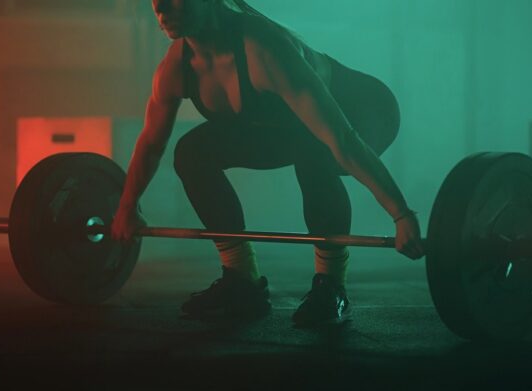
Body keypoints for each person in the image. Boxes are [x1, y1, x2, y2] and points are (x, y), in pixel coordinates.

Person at [111, 0, 424, 327]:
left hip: (366, 110)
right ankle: (242, 281)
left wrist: (400, 213)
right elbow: (150, 146)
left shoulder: (263, 51)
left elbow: (341, 138)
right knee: (192, 152)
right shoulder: (175, 69)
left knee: (314, 150)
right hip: (283, 129)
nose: (162, 6)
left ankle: (331, 286)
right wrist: (127, 207)